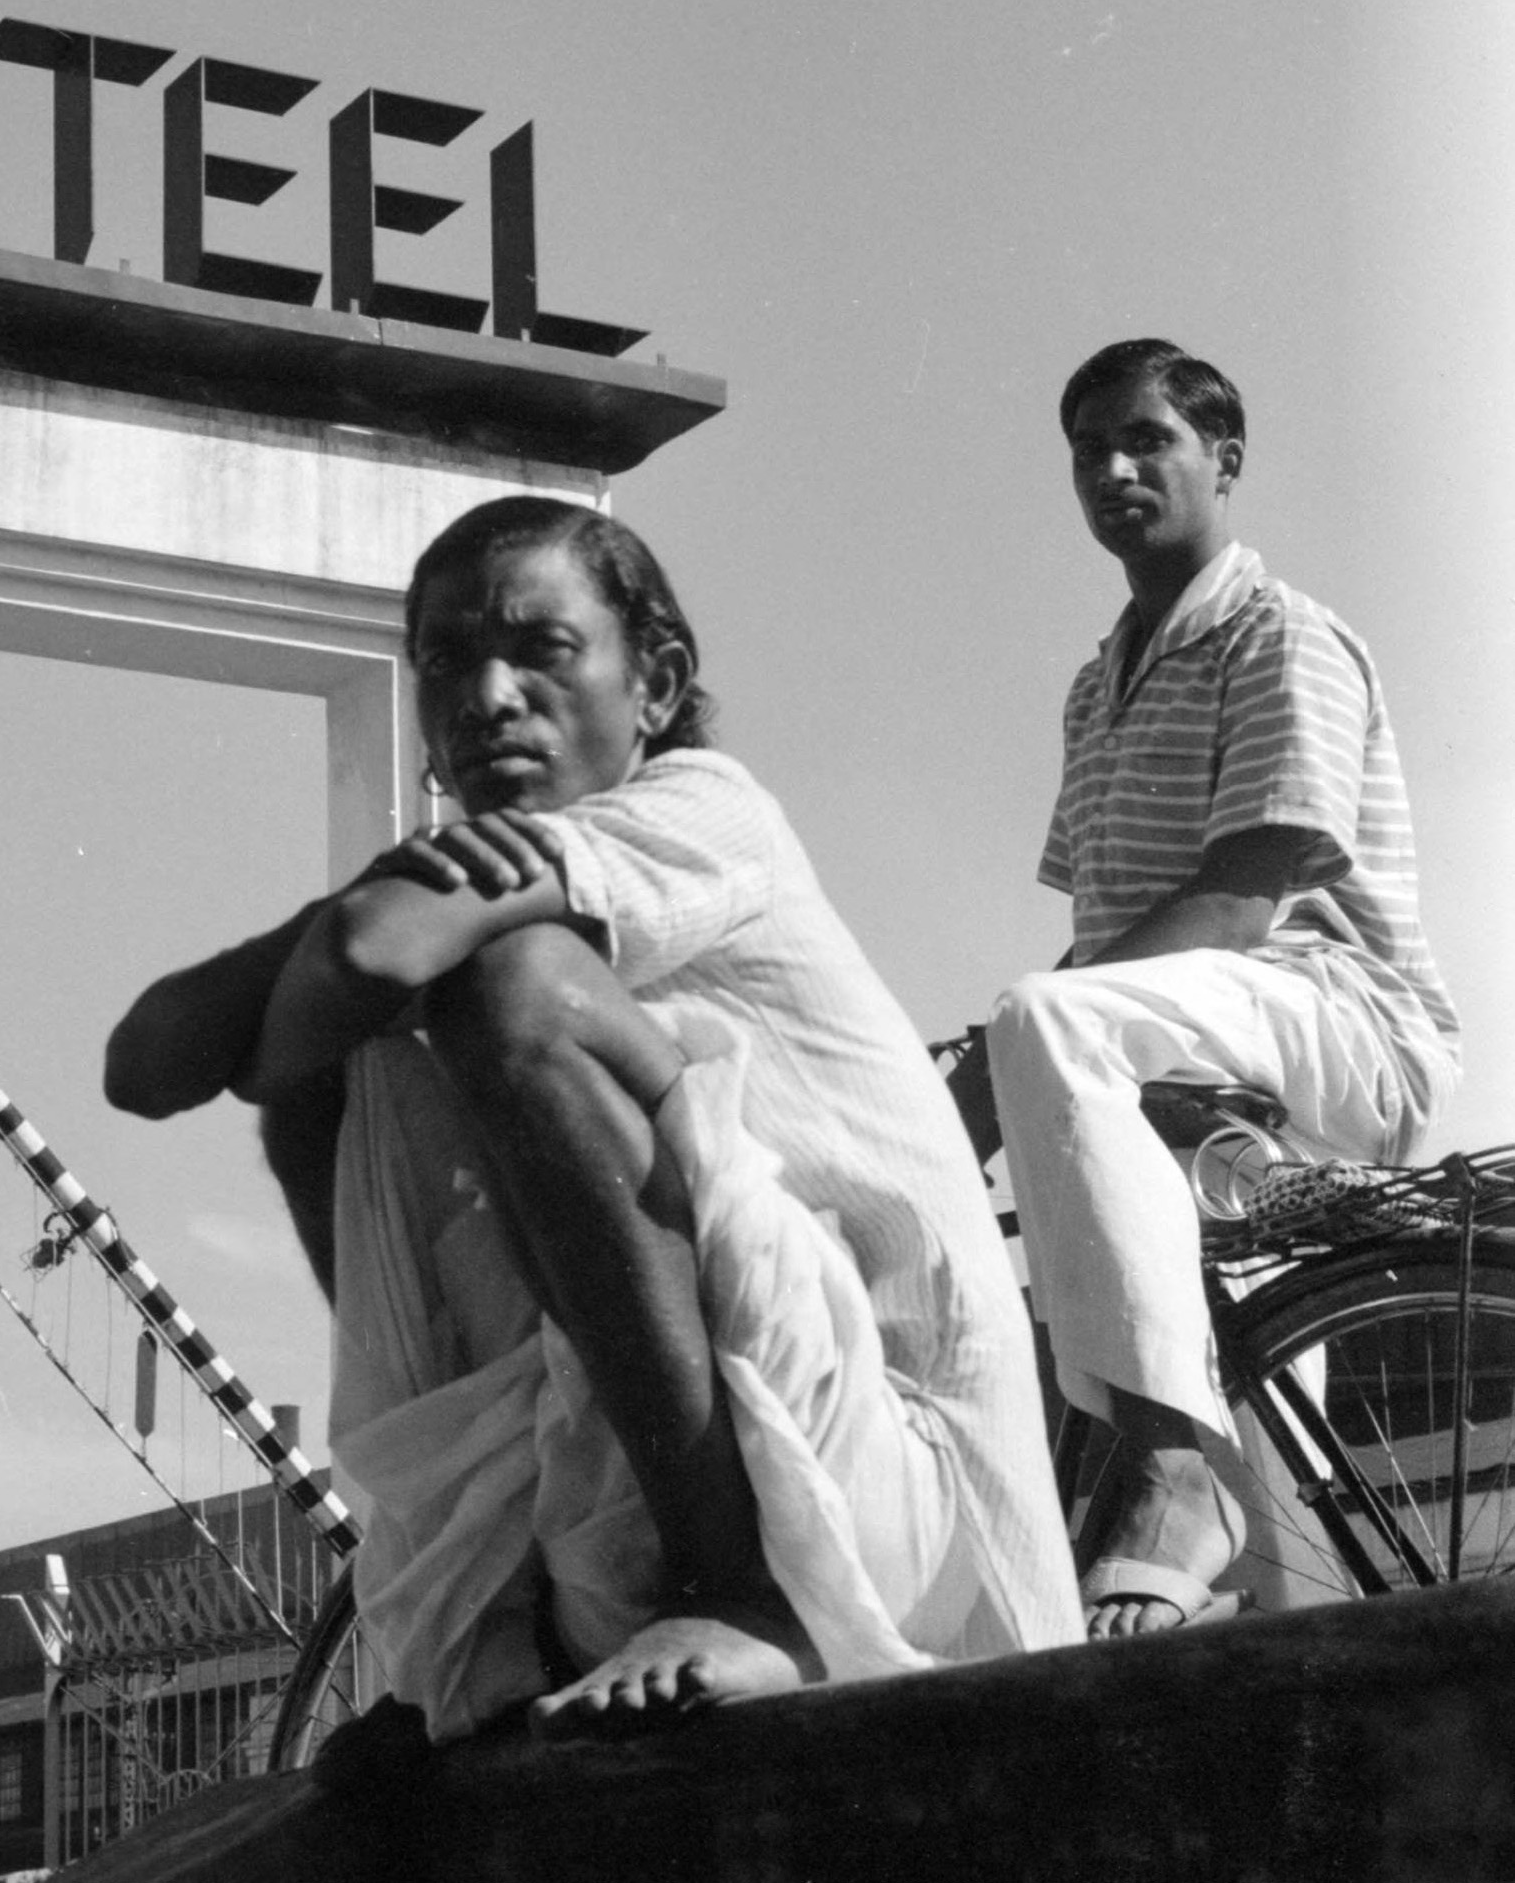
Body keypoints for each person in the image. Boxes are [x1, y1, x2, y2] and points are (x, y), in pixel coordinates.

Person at [106, 497, 1075, 1745]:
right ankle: (494, 1640)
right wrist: (321, 1008)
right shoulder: (479, 867)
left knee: (503, 992)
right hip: (667, 1462)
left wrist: (313, 991)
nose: (487, 697)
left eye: (540, 650)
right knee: (347, 1085)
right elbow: (142, 1061)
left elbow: (368, 949)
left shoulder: (709, 813)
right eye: (446, 664)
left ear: (657, 684)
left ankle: (737, 1596)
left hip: (887, 1494)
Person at [963, 339, 1459, 1639]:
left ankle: (1168, 1472)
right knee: (1260, 1498)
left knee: (1039, 1020)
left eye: (1147, 441)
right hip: (1195, 1055)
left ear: (1221, 460)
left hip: (1336, 1022)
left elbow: (1249, 886)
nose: (1113, 469)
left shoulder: (1277, 633)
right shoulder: (1095, 685)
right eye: (1087, 451)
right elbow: (1109, 934)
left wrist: (1029, 1040)